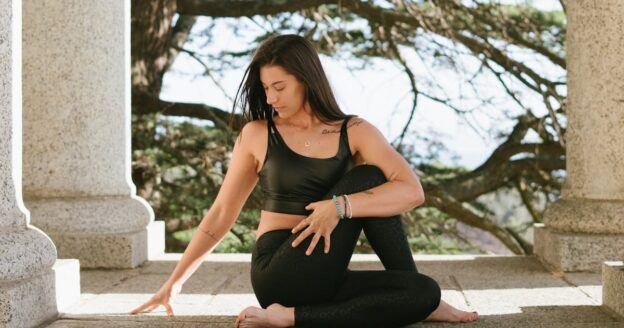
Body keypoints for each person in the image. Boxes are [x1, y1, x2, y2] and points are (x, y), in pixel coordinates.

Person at [130, 34, 479, 327]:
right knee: (368, 176)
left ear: (306, 80)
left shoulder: (353, 130)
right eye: (266, 88)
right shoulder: (258, 134)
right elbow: (222, 213)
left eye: (279, 86)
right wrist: (174, 283)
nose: (270, 98)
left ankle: (293, 318)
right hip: (280, 269)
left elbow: (411, 190)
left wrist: (339, 208)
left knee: (422, 291)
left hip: (325, 271)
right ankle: (286, 312)